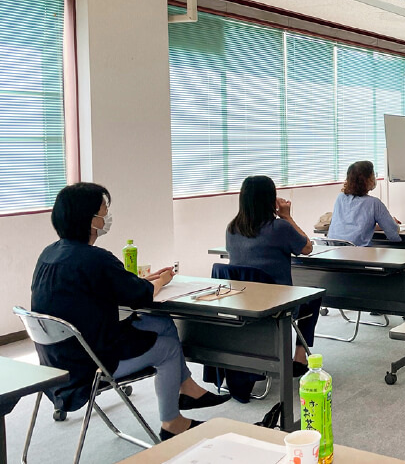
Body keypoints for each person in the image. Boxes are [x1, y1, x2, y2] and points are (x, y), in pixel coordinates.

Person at [31, 183, 229, 441]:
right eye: (104, 211)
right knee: (168, 346)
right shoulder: (95, 258)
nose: (107, 217)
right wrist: (161, 281)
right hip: (89, 363)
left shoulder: (49, 253)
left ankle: (187, 388)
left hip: (57, 358)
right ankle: (172, 422)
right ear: (91, 220)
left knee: (160, 320)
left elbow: (119, 287)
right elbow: (140, 295)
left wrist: (149, 280)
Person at [225, 175, 317, 375]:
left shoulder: (232, 228)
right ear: (271, 199)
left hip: (241, 304)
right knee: (313, 298)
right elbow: (307, 247)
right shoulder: (279, 227)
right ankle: (299, 360)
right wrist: (287, 216)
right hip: (276, 307)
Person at [327, 161, 401, 247]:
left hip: (334, 253)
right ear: (367, 180)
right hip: (358, 254)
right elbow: (393, 234)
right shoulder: (374, 203)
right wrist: (392, 224)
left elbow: (353, 226)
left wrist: (380, 226)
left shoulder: (340, 198)